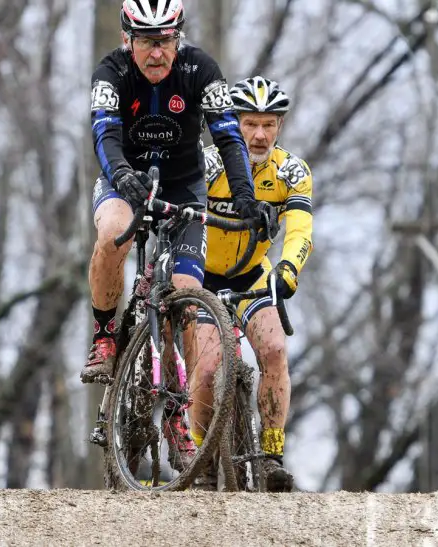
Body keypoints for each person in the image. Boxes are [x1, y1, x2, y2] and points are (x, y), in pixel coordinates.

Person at [82, 0, 273, 469]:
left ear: (177, 39)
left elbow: (228, 137)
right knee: (112, 235)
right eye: (147, 41)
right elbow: (104, 132)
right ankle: (106, 334)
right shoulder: (110, 73)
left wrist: (247, 196)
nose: (156, 53)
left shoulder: (201, 70)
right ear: (129, 40)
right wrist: (122, 173)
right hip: (124, 178)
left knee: (187, 296)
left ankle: (180, 413)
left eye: (165, 41)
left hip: (185, 186)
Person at [190, 76, 314, 491]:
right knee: (207, 369)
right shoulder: (208, 164)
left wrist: (288, 269)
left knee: (275, 349)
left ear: (280, 126)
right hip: (201, 273)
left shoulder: (291, 171)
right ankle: (202, 458)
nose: (260, 135)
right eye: (249, 124)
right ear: (233, 123)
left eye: (269, 124)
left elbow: (299, 227)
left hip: (252, 272)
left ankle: (272, 454)